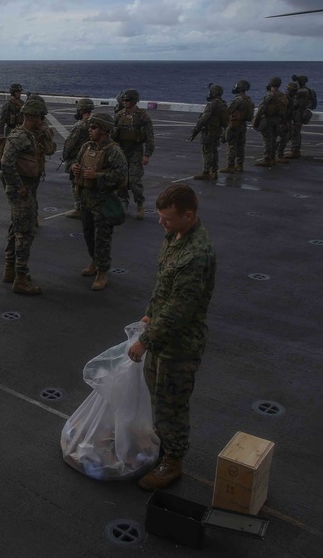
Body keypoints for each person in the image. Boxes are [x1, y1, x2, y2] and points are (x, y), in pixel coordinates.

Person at [127, 183, 215, 491]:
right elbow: (163, 285)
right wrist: (150, 312)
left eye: (167, 218)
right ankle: (163, 447)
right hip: (162, 335)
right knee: (158, 396)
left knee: (172, 405)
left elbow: (179, 311)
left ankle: (172, 462)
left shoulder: (196, 256)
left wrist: (145, 341)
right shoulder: (175, 236)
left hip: (180, 345)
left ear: (188, 215)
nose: (160, 223)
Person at [1, 95, 55, 295]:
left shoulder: (32, 135)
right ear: (31, 116)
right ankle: (21, 278)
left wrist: (46, 134)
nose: (43, 120)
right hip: (22, 191)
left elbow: (50, 151)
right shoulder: (19, 137)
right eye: (41, 117)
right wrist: (18, 186)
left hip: (28, 188)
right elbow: (6, 163)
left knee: (16, 228)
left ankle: (10, 270)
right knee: (25, 233)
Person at [71, 111, 128, 291]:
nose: (90, 130)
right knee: (88, 233)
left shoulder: (114, 151)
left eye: (94, 127)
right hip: (86, 198)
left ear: (103, 130)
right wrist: (76, 168)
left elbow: (121, 175)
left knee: (102, 237)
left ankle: (102, 272)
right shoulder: (87, 146)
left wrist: (98, 176)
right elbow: (78, 161)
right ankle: (94, 262)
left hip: (103, 200)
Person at [110, 89, 155, 220]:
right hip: (121, 151)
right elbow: (112, 134)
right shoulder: (119, 115)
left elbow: (150, 137)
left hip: (135, 152)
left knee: (135, 180)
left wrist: (147, 154)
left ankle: (140, 204)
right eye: (124, 100)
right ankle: (123, 203)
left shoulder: (142, 116)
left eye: (128, 100)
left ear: (135, 101)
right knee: (121, 180)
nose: (126, 102)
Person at [62, 98, 95, 219]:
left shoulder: (79, 125)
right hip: (92, 158)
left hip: (78, 158)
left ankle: (79, 208)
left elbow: (69, 144)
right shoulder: (96, 123)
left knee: (75, 183)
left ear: (81, 110)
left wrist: (65, 156)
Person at [190, 84, 228, 180]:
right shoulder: (223, 103)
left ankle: (206, 172)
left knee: (207, 151)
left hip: (209, 131)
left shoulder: (212, 104)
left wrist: (196, 129)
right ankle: (214, 171)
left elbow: (204, 118)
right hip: (217, 131)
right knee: (214, 151)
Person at [253, 77, 289, 168]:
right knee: (274, 139)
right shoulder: (283, 96)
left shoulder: (269, 96)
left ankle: (267, 159)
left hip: (268, 120)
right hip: (278, 120)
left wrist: (256, 122)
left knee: (267, 140)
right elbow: (285, 110)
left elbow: (261, 109)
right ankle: (273, 158)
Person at [220, 80, 254, 173]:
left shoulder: (238, 99)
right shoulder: (249, 99)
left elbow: (229, 111)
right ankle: (240, 164)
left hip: (235, 124)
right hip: (243, 124)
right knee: (241, 145)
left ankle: (230, 165)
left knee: (231, 144)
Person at [285, 74, 313, 159]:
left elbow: (297, 103)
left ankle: (294, 151)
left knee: (294, 132)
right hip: (300, 113)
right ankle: (296, 150)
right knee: (296, 132)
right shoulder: (305, 90)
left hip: (298, 114)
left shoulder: (302, 91)